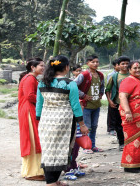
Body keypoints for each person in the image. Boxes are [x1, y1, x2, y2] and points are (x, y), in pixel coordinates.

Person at [36, 55, 89, 186]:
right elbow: (75, 105)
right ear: (66, 67)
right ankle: (51, 183)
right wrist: (82, 124)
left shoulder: (43, 82)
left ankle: (53, 180)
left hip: (46, 121)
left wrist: (39, 120)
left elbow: (39, 104)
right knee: (63, 150)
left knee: (49, 150)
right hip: (64, 122)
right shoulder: (69, 83)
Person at [18, 57, 45, 181]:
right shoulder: (30, 79)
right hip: (29, 110)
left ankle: (32, 170)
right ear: (32, 67)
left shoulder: (31, 78)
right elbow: (30, 96)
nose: (43, 68)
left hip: (29, 109)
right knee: (33, 139)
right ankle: (33, 172)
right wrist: (45, 100)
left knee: (33, 139)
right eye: (41, 65)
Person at [74, 55, 105, 153]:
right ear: (87, 63)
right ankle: (86, 147)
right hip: (86, 105)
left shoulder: (100, 75)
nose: (95, 64)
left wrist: (101, 93)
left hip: (96, 104)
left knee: (94, 126)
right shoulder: (84, 75)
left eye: (97, 62)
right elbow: (73, 85)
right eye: (93, 62)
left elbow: (102, 85)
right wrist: (83, 95)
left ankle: (93, 145)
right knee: (86, 126)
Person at [63, 65, 88, 181]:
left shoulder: (78, 101)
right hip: (69, 127)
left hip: (77, 128)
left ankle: (74, 167)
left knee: (76, 150)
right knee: (69, 150)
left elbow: (80, 111)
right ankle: (67, 170)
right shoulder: (68, 101)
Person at [105, 56, 130, 150]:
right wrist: (110, 100)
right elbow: (107, 89)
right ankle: (121, 143)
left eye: (127, 63)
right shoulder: (114, 76)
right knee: (118, 124)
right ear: (118, 65)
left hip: (130, 104)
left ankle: (130, 141)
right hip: (117, 103)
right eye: (123, 64)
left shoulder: (132, 75)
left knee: (130, 124)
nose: (125, 65)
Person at [106, 59, 119, 136]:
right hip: (112, 96)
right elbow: (109, 87)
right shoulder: (111, 75)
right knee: (112, 113)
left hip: (120, 96)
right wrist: (110, 98)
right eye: (118, 64)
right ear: (114, 66)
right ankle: (111, 128)